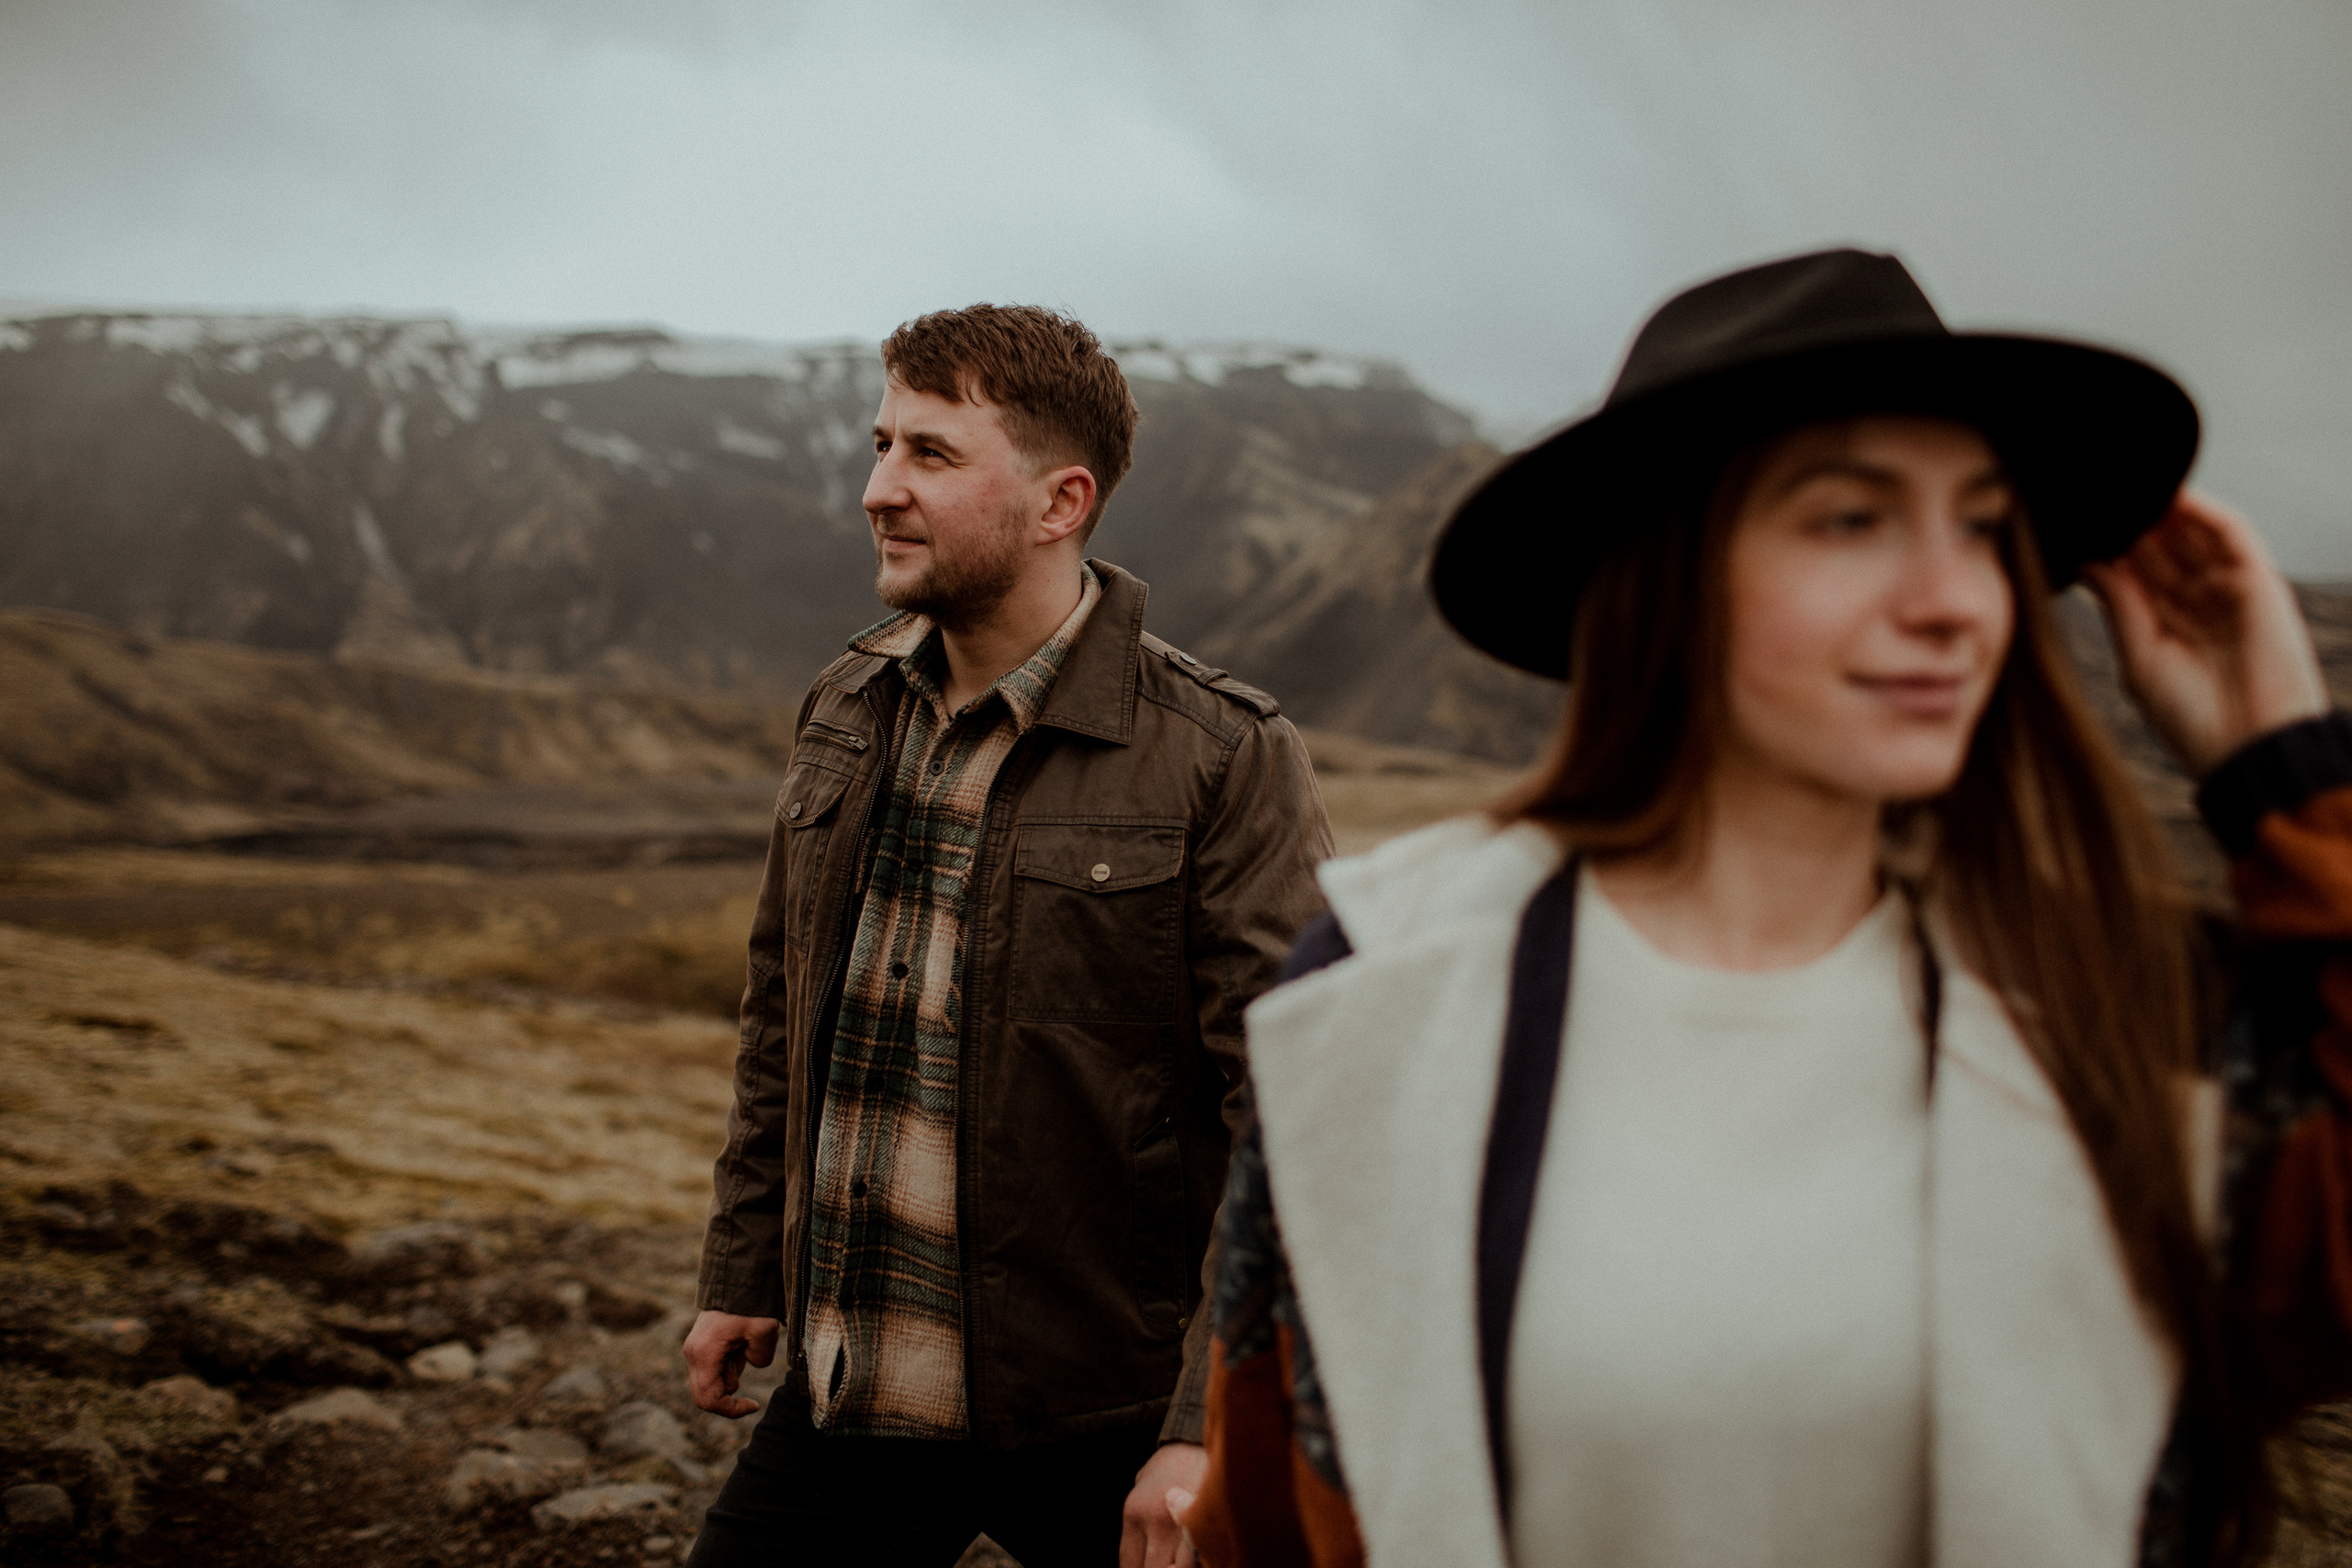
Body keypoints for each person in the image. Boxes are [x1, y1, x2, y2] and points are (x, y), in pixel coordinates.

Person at [1173, 249, 2352, 1568]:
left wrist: (2284, 770)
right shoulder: (1385, 988)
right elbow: (1262, 1520)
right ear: (1663, 575)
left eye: (1980, 525)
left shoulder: (2126, 1007)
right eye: (1851, 519)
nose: (1955, 600)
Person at [682, 304, 1333, 1567]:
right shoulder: (846, 707)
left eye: (930, 454)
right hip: (853, 1398)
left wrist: (1208, 1424)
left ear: (1059, 501)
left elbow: (1299, 1110)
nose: (878, 490)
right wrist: (745, 1267)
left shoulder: (1223, 757)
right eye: (880, 446)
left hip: (1109, 1422)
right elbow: (782, 1010)